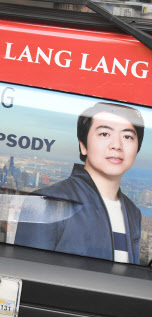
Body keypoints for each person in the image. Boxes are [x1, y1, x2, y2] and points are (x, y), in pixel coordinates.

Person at [15, 102, 144, 264]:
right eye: (104, 134)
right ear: (83, 146)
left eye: (127, 137)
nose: (117, 145)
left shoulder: (133, 212)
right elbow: (27, 272)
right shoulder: (47, 201)